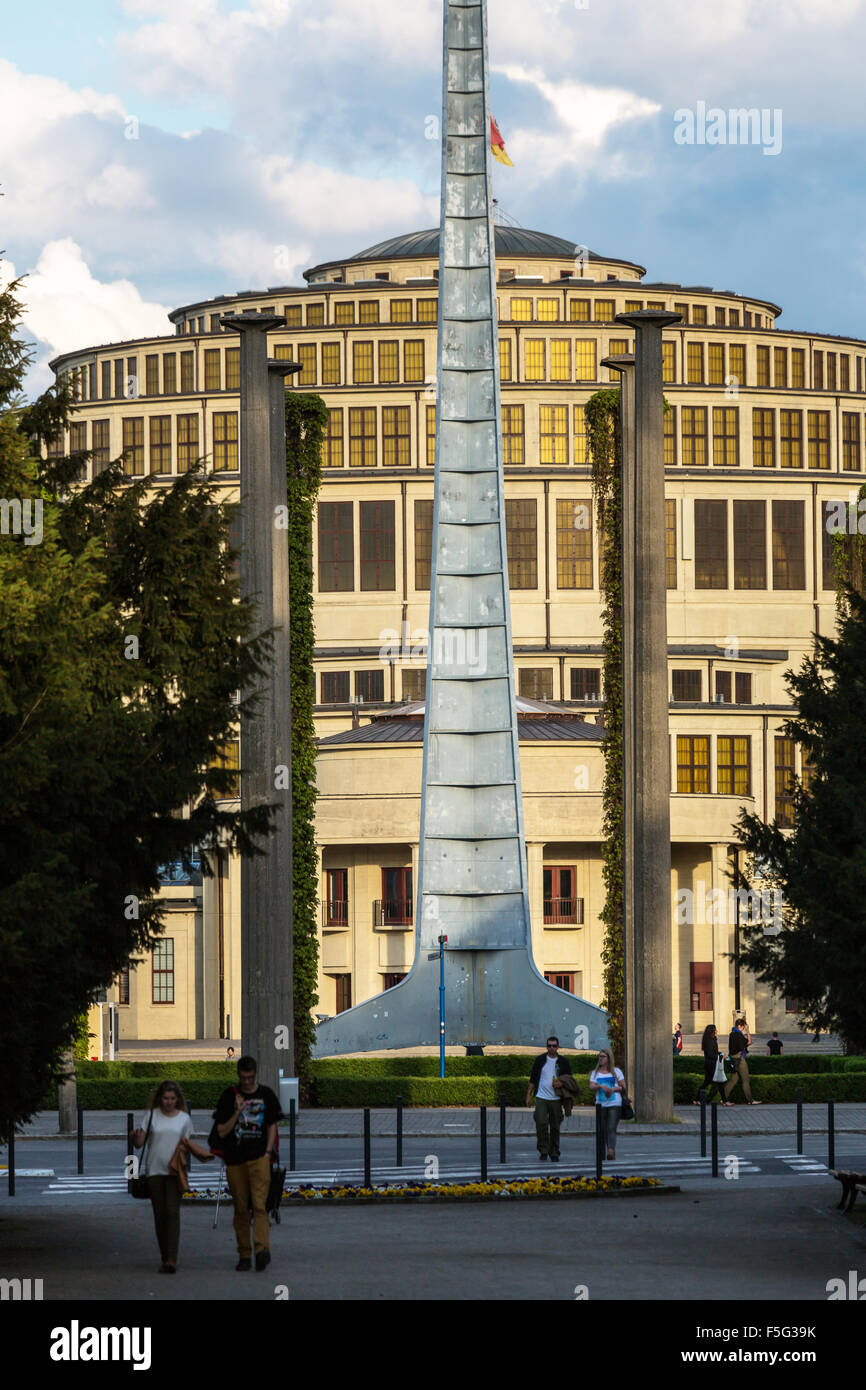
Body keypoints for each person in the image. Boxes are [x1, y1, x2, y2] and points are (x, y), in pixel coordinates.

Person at [132, 1079, 215, 1273]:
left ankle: (171, 1259)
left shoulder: (184, 1119)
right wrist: (135, 1136)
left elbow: (186, 1144)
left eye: (172, 1098)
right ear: (160, 1099)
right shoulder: (151, 1115)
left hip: (174, 1171)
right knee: (159, 1215)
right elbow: (139, 1144)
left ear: (177, 1099)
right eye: (165, 1098)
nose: (168, 1102)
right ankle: (164, 1255)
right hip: (154, 1171)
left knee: (172, 1212)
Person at [213, 1056, 282, 1271]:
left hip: (259, 1158)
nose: (247, 1082)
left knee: (260, 1206)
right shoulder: (228, 1096)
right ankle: (244, 1254)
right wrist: (238, 1111)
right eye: (243, 1078)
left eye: (251, 1078)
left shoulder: (266, 1095)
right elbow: (221, 1131)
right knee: (241, 1209)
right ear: (238, 1076)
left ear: (256, 1074)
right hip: (235, 1160)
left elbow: (272, 1126)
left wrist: (267, 1152)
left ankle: (261, 1250)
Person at [525, 1037, 574, 1162]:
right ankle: (543, 1150)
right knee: (541, 1123)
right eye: (549, 1046)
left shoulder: (563, 1061)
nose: (552, 1048)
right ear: (546, 1047)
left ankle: (554, 1152)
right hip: (541, 1097)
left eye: (554, 1046)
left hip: (556, 1098)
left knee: (555, 1126)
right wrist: (528, 1095)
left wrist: (562, 1084)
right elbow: (533, 1078)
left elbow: (569, 1079)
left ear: (558, 1047)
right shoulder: (540, 1060)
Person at [589, 1048, 625, 1159]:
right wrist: (600, 1086)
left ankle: (610, 1150)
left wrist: (613, 1089)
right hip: (601, 1104)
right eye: (600, 1056)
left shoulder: (616, 1071)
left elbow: (623, 1087)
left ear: (609, 1058)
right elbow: (591, 1086)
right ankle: (603, 1151)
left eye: (603, 1056)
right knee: (602, 1128)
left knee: (611, 1127)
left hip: (614, 1103)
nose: (601, 1058)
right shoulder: (595, 1073)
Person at [724, 1016, 761, 1104]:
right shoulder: (738, 1035)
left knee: (733, 1080)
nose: (744, 1029)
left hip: (732, 1059)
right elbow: (749, 1042)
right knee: (745, 1080)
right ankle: (750, 1100)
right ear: (740, 1026)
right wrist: (748, 1031)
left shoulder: (732, 1034)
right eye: (743, 1027)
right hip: (739, 1059)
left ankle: (724, 1098)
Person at [694, 1024, 731, 1105]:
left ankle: (696, 1099)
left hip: (710, 1064)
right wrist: (721, 1056)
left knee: (707, 1082)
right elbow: (711, 1054)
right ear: (712, 1031)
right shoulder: (709, 1041)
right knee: (720, 1083)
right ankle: (725, 1101)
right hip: (711, 1065)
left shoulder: (711, 1039)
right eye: (715, 1030)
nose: (717, 1031)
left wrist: (721, 1053)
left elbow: (714, 1052)